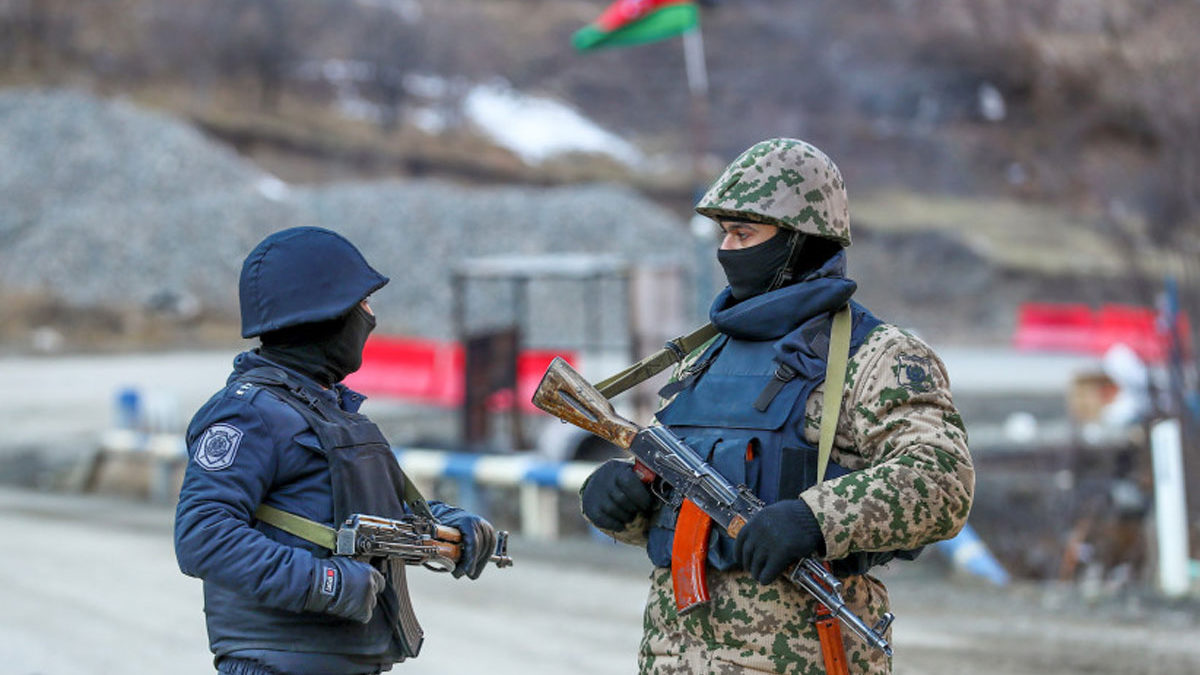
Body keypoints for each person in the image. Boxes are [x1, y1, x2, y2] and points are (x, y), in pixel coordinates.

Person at [579, 138, 975, 674]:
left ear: (799, 240)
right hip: (674, 659)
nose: (728, 250)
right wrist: (623, 502)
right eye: (724, 234)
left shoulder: (876, 355)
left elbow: (942, 480)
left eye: (745, 234)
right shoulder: (707, 356)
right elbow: (686, 503)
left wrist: (816, 519)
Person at [175, 226, 498, 675]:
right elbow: (204, 535)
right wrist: (325, 582)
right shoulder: (249, 414)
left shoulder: (331, 411)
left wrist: (444, 528)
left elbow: (360, 519)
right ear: (322, 314)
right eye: (361, 303)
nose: (371, 316)